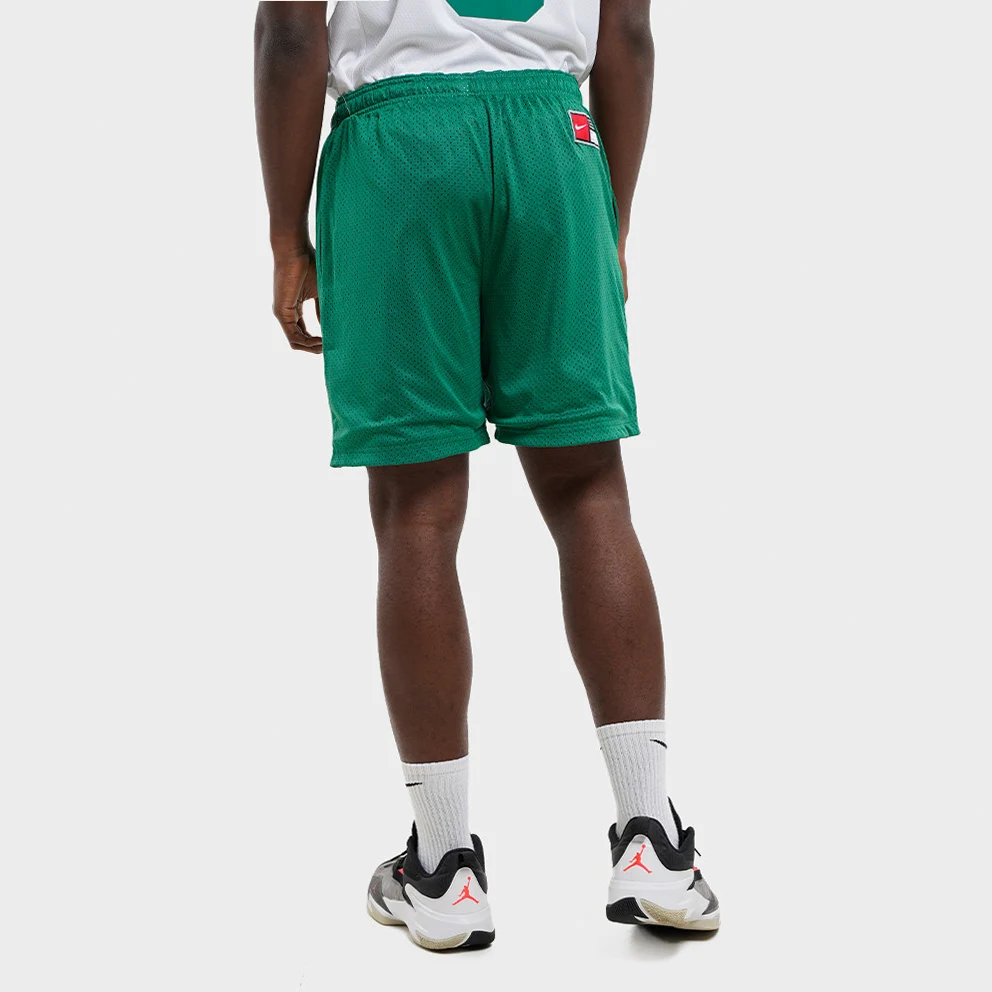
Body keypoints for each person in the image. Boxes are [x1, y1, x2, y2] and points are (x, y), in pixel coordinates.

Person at [254, 0, 719, 951]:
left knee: (417, 510)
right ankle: (651, 839)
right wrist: (611, 216)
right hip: (554, 139)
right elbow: (628, 35)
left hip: (399, 148)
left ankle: (445, 867)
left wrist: (285, 238)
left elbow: (292, 33)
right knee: (589, 489)